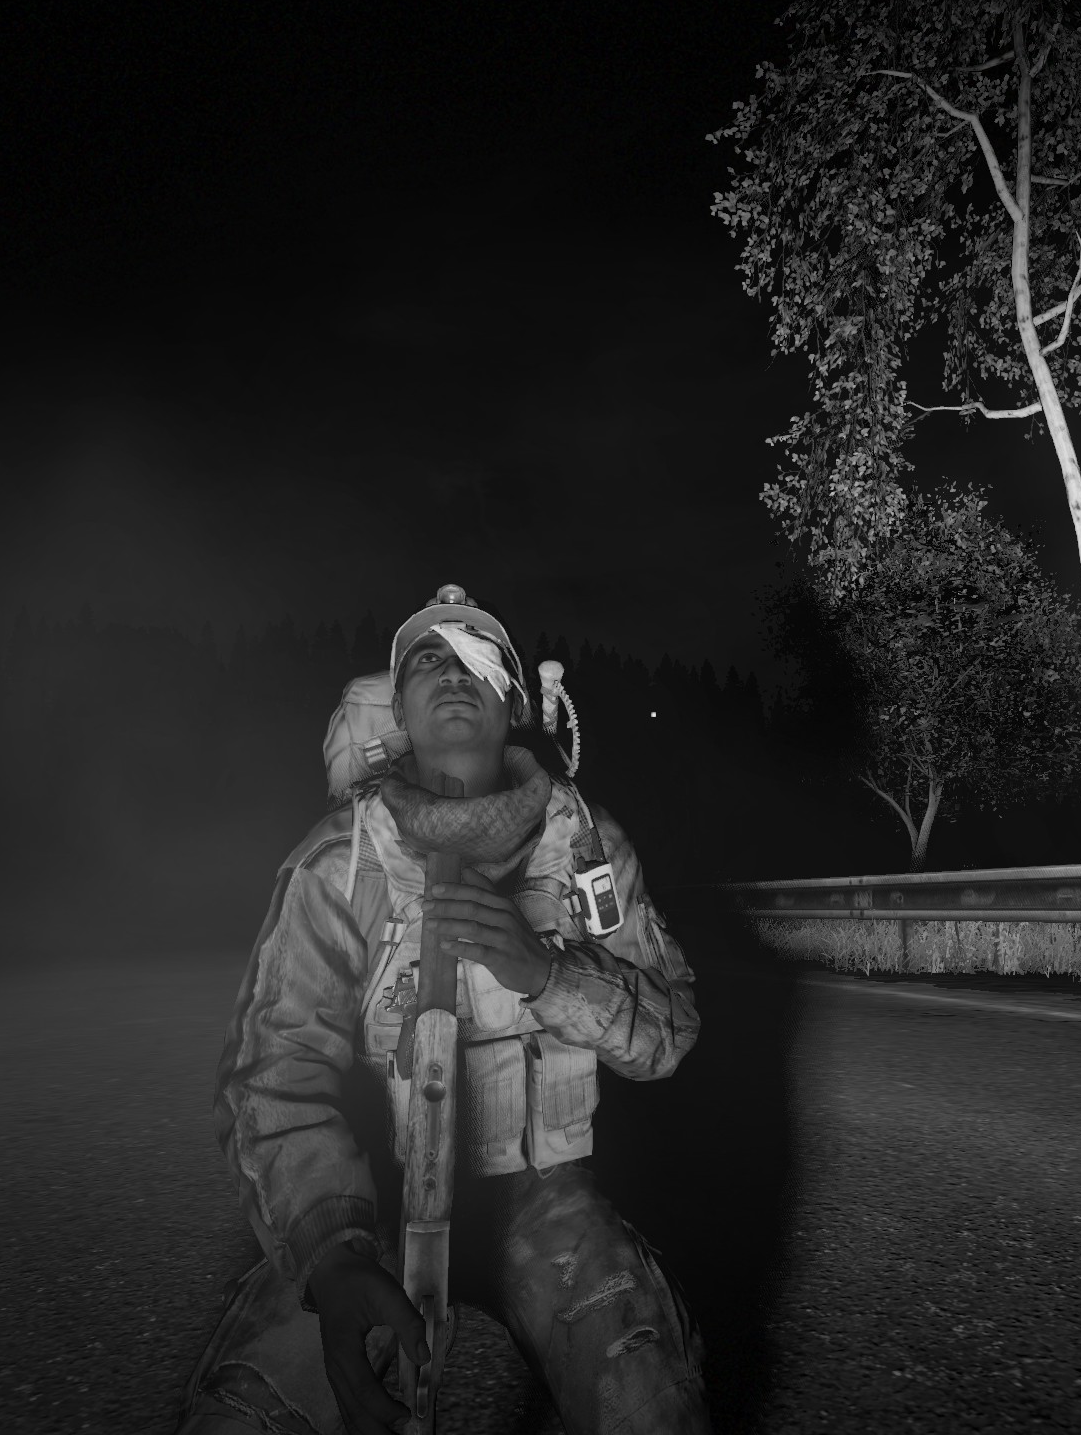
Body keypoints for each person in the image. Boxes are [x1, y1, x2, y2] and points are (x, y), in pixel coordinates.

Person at [182, 585, 711, 1435]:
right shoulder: (340, 861)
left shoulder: (584, 846)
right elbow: (272, 1073)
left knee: (648, 1396)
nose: (452, 671)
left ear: (513, 702)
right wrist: (330, 1255)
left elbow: (670, 1034)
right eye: (428, 659)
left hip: (542, 1202)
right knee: (245, 1415)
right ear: (399, 711)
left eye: (476, 659)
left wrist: (549, 974)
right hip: (375, 1208)